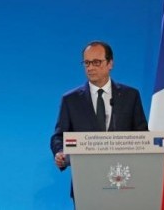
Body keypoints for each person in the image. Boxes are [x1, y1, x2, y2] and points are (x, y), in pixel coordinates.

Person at [50, 41, 148, 194]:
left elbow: (142, 135)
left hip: (124, 180)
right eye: (87, 63)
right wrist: (60, 152)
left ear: (110, 63)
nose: (90, 67)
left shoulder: (130, 96)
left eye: (96, 62)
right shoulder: (71, 100)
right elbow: (58, 136)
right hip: (86, 182)